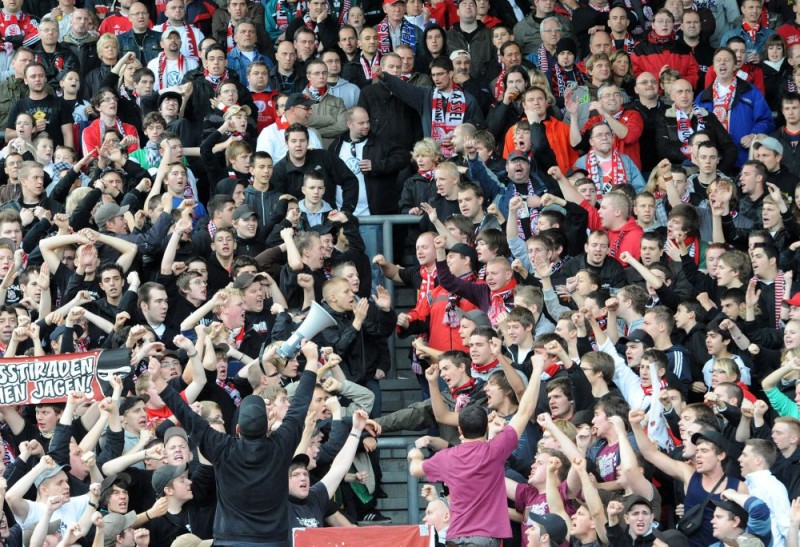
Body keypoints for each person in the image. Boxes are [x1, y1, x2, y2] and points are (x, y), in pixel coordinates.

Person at [407, 355, 543, 546]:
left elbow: (415, 469)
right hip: (484, 539)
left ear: (460, 430)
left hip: (455, 539)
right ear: (486, 428)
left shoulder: (447, 456)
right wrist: (537, 371)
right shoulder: (494, 450)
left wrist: (415, 455)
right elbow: (525, 411)